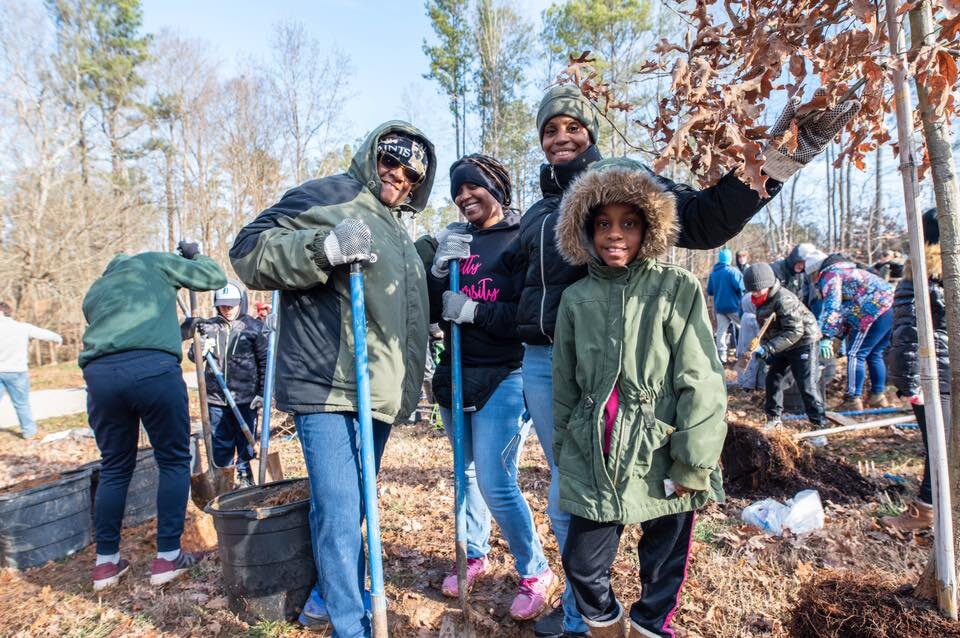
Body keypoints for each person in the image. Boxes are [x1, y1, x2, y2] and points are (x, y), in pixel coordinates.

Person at [517, 84, 858, 638]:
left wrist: (772, 164)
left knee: (659, 530)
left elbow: (701, 218)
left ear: (591, 134)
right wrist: (468, 297)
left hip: (644, 385)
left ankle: (644, 623)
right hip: (558, 369)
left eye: (572, 127)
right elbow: (518, 285)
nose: (561, 137)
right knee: (573, 499)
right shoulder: (537, 213)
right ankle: (586, 614)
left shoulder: (628, 185)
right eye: (549, 130)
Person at [230, 122, 436, 638]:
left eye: (412, 173)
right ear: (373, 155)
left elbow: (400, 307)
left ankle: (325, 596)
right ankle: (350, 623)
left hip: (378, 390)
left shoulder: (395, 227)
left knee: (354, 504)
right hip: (329, 382)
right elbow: (248, 251)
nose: (399, 175)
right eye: (391, 160)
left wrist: (432, 258)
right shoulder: (330, 194)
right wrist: (323, 248)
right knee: (342, 508)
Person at [552, 159, 727, 638]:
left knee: (662, 567)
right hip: (596, 452)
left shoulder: (676, 289)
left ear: (648, 227)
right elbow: (565, 385)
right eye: (604, 223)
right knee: (582, 565)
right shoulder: (576, 299)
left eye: (628, 223)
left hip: (661, 451)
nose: (615, 234)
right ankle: (608, 629)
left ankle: (650, 628)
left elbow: (703, 380)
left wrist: (692, 462)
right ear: (585, 231)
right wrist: (568, 447)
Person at [428, 154, 555, 619]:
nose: (464, 197)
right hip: (456, 370)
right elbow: (433, 308)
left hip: (505, 373)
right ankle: (474, 553)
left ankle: (535, 569)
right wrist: (438, 272)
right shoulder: (458, 239)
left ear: (497, 185)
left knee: (497, 481)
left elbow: (528, 317)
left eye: (473, 187)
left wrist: (475, 312)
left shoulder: (521, 239)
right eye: (457, 191)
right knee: (465, 474)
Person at [79, 242, 227, 591]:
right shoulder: (155, 262)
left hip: (100, 376)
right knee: (174, 460)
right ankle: (168, 557)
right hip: (153, 373)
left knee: (114, 466)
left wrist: (177, 332)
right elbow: (213, 277)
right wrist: (193, 256)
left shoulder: (97, 289)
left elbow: (121, 336)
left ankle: (106, 565)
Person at [883, 209, 948, 530]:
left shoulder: (920, 277)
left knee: (938, 446)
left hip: (937, 379)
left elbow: (908, 334)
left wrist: (910, 384)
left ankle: (926, 511)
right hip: (947, 373)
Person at [187, 281, 267, 488]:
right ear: (217, 305)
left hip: (246, 397)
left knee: (246, 440)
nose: (228, 309)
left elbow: (265, 361)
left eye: (232, 305)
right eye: (224, 305)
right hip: (216, 397)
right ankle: (224, 479)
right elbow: (192, 357)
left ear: (241, 302)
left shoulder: (254, 327)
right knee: (220, 442)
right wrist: (199, 347)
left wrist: (262, 393)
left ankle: (245, 476)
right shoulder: (208, 326)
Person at [804, 248, 894, 411]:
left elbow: (833, 307)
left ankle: (853, 399)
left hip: (873, 310)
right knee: (874, 353)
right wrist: (838, 336)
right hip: (888, 308)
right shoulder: (847, 271)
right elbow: (848, 309)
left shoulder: (830, 275)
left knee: (855, 354)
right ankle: (878, 396)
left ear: (815, 272)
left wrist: (826, 337)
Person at [743, 263, 825, 432]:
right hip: (784, 343)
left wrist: (769, 348)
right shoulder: (760, 300)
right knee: (773, 379)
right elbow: (769, 328)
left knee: (807, 385)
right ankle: (774, 419)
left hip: (804, 342)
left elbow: (795, 331)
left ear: (768, 284)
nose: (755, 293)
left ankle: (819, 426)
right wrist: (764, 348)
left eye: (758, 289)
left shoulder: (784, 299)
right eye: (752, 291)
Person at [0, 303, 63, 439]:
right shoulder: (22, 328)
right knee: (22, 404)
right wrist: (58, 338)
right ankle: (29, 432)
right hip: (17, 371)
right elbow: (43, 334)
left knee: (21, 403)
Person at [706, 248, 746, 360]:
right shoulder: (733, 271)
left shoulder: (713, 273)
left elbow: (710, 291)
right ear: (729, 259)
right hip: (734, 307)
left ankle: (722, 356)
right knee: (743, 328)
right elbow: (741, 287)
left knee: (721, 331)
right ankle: (744, 352)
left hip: (719, 308)